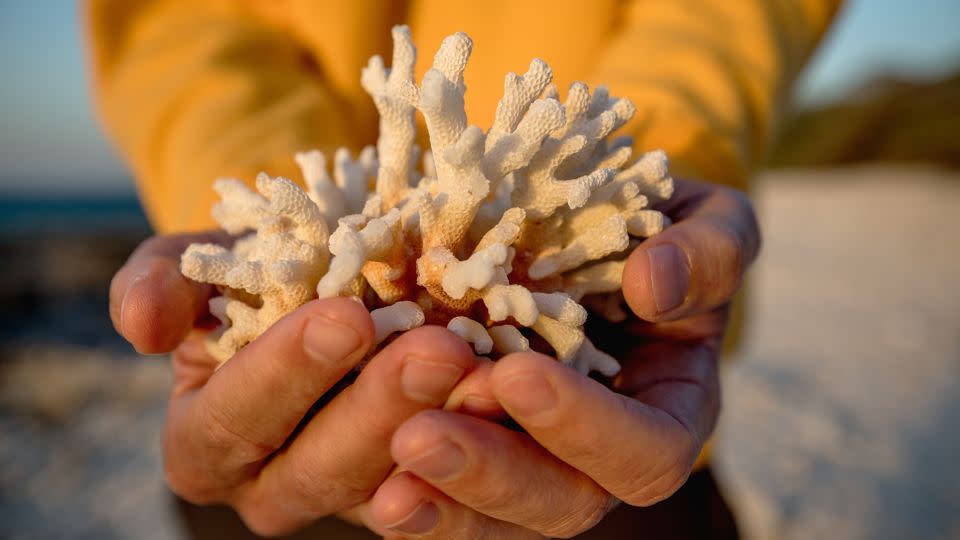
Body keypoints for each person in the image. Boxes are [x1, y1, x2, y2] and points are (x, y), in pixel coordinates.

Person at [88, 1, 842, 538]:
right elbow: (179, 23)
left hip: (610, 435)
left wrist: (646, 174)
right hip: (283, 436)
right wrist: (279, 230)